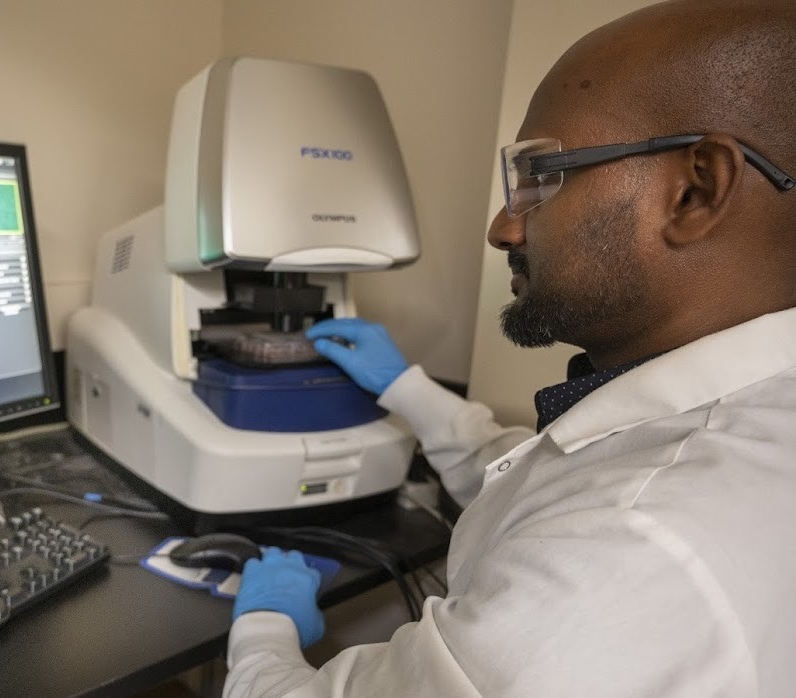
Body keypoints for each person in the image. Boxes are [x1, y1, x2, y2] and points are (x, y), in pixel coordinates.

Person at [223, 1, 796, 696]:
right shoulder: (753, 426)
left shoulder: (628, 550)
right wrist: (405, 387)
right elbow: (560, 487)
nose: (503, 228)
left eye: (537, 177)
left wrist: (259, 627)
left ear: (693, 191)